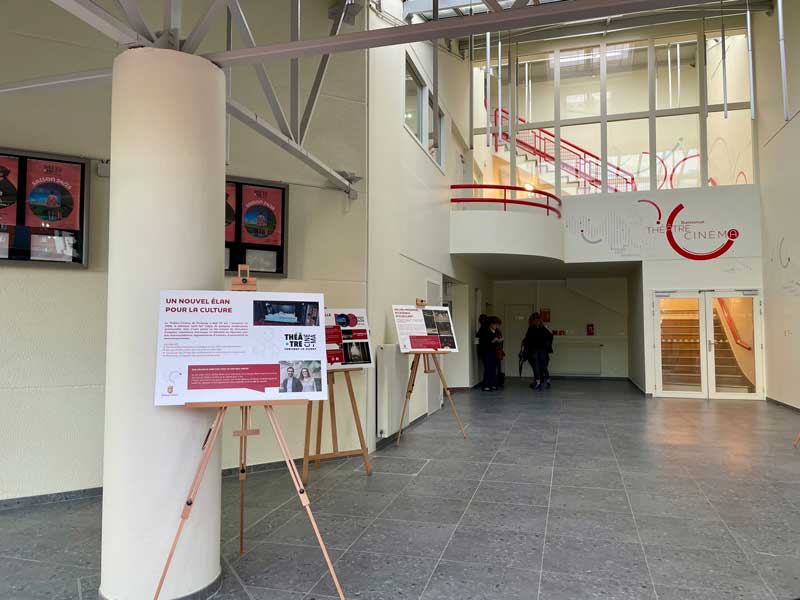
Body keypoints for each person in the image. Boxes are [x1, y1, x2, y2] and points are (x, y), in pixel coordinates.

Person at [521, 313, 554, 390]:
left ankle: (538, 383)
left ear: (532, 320)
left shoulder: (531, 328)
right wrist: (546, 345)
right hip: (542, 350)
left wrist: (524, 349)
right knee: (544, 366)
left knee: (536, 367)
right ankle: (548, 381)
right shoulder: (543, 328)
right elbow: (550, 336)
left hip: (534, 350)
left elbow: (527, 340)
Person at [478, 316, 502, 391]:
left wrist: (499, 340)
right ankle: (486, 385)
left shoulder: (497, 331)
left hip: (494, 351)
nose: (496, 326)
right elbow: (483, 342)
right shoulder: (485, 331)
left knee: (493, 368)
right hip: (487, 351)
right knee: (488, 368)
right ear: (491, 324)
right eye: (495, 324)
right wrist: (492, 341)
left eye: (497, 325)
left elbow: (499, 338)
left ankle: (493, 384)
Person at [494, 317, 506, 387]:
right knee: (496, 366)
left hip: (498, 350)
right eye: (498, 324)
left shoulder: (498, 331)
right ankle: (496, 381)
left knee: (498, 366)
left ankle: (498, 381)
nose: (498, 326)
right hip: (496, 350)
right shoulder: (496, 331)